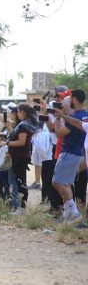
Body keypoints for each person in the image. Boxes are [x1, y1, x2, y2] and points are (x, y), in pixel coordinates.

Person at [51, 90, 88, 222]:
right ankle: (68, 215)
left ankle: (74, 212)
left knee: (57, 182)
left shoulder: (74, 117)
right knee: (66, 183)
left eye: (69, 98)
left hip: (69, 152)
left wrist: (57, 119)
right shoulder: (85, 115)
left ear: (73, 99)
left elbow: (59, 134)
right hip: (79, 152)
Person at [4, 104, 37, 214]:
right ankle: (17, 205)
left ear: (23, 112)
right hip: (17, 156)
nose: (17, 114)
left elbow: (21, 142)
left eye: (18, 112)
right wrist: (8, 127)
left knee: (19, 182)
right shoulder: (23, 124)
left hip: (20, 157)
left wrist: (8, 143)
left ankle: (21, 206)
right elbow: (15, 135)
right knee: (15, 180)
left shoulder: (24, 126)